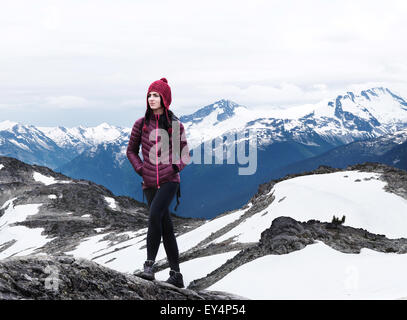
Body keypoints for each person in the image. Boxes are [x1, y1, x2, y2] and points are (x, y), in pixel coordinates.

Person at [126, 77, 190, 288]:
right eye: (150, 95)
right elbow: (131, 151)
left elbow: (185, 155)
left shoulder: (174, 125)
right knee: (166, 226)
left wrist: (174, 168)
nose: (151, 99)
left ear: (165, 99)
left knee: (154, 216)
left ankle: (149, 266)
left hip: (170, 180)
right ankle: (176, 274)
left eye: (156, 95)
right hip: (149, 183)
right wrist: (140, 169)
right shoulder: (141, 124)